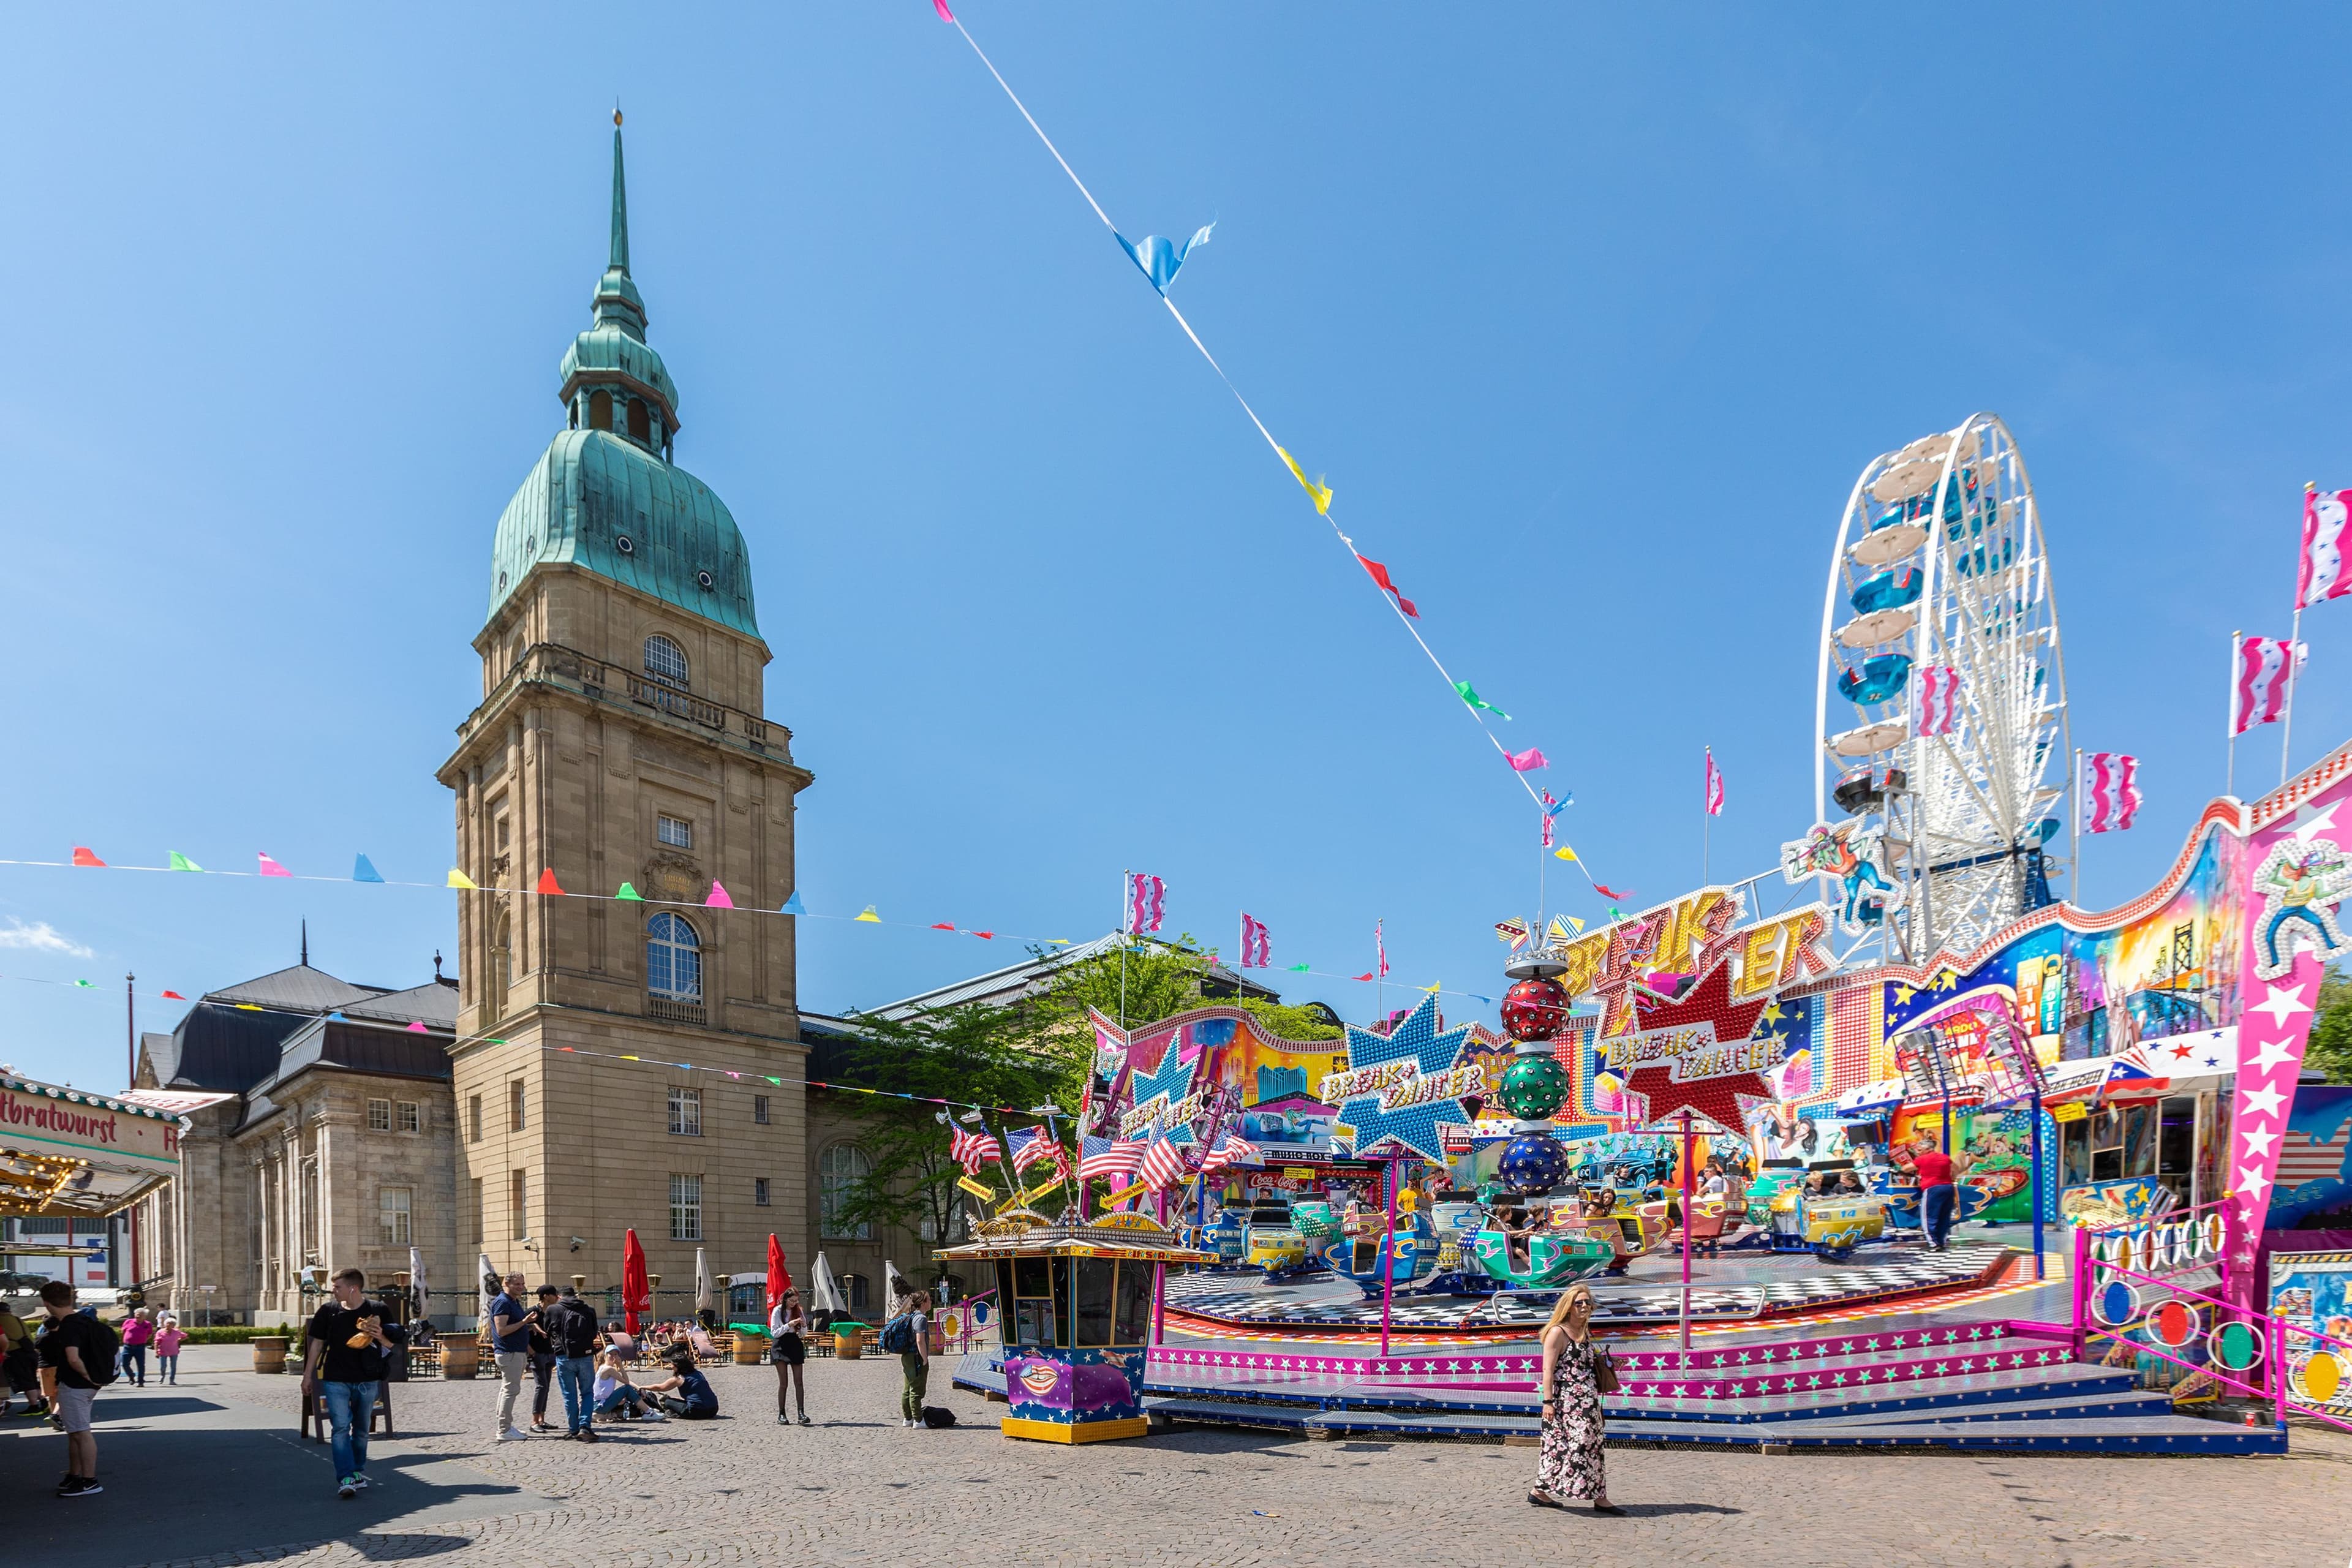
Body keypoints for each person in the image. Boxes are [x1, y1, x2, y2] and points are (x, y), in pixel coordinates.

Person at [301, 1267, 404, 1500]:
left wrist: (380, 1336)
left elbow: (391, 1346)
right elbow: (317, 1345)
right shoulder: (328, 1311)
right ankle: (346, 1477)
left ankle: (357, 1470)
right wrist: (308, 1375)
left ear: (353, 1288)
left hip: (367, 1379)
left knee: (360, 1431)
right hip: (335, 1379)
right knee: (339, 1428)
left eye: (337, 1287)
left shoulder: (377, 1310)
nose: (333, 1291)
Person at [1529, 1281, 1618, 1515]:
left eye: (1588, 1302)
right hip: (1566, 1400)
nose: (1585, 1306)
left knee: (1594, 1444)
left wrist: (1609, 1362)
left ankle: (1600, 1497)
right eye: (1579, 1303)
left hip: (1588, 1399)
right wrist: (1547, 1402)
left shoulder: (1585, 1331)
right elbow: (1547, 1370)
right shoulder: (1557, 1332)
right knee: (1568, 1446)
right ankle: (1541, 1489)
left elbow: (1587, 1361)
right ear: (1569, 1306)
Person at [36, 1281, 107, 1497]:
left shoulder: (67, 1325)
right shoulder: (83, 1320)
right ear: (71, 1299)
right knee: (75, 1433)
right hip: (82, 1386)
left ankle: (89, 1481)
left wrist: (90, 1378)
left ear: (46, 1303)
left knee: (81, 1433)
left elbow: (74, 1359)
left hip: (76, 1385)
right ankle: (75, 1475)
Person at [548, 1286, 600, 1442]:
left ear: (559, 1296)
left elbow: (548, 1329)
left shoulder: (553, 1309)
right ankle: (585, 1426)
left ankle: (573, 1429)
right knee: (587, 1393)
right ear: (575, 1295)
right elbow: (594, 1332)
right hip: (585, 1355)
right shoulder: (589, 1310)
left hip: (564, 1355)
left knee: (569, 1395)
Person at [487, 1272, 531, 1441]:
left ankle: (505, 1426)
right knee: (510, 1391)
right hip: (509, 1353)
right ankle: (504, 1430)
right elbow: (502, 1330)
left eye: (522, 1284)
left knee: (507, 1390)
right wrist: (524, 1322)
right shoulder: (503, 1302)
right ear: (507, 1284)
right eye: (517, 1284)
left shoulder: (512, 1301)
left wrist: (528, 1326)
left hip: (514, 1352)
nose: (521, 1287)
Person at [1912, 1142, 1973, 1251]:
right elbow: (1956, 1169)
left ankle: (1934, 1244)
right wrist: (1950, 1177)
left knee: (1929, 1217)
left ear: (1928, 1150)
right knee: (1944, 1216)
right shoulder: (1945, 1157)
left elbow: (1906, 1168)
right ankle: (1941, 1242)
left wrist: (1901, 1171)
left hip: (1932, 1189)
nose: (1918, 1152)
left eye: (1920, 1150)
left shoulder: (1922, 1159)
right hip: (1948, 1188)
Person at [890, 1286, 930, 1429]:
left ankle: (908, 1419)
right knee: (916, 1389)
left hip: (907, 1356)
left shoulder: (911, 1315)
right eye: (929, 1299)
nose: (931, 1302)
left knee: (907, 1388)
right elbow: (920, 1340)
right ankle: (918, 1420)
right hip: (915, 1357)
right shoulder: (920, 1318)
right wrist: (925, 1359)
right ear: (924, 1302)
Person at [769, 1287, 810, 1427]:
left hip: (794, 1344)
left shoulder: (798, 1311)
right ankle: (782, 1413)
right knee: (784, 1383)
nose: (794, 1303)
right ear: (786, 1299)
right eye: (792, 1300)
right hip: (781, 1345)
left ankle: (801, 1413)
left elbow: (803, 1334)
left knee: (799, 1381)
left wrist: (804, 1326)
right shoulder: (777, 1311)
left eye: (796, 1301)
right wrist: (789, 1325)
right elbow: (774, 1333)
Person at [639, 1349, 719, 1420]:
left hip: (697, 1411)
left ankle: (672, 1413)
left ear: (678, 1366)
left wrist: (643, 1387)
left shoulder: (679, 1379)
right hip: (714, 1409)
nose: (671, 1366)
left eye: (672, 1364)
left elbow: (660, 1387)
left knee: (667, 1401)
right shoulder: (698, 1373)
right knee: (677, 1401)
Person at [523, 1285, 560, 1432]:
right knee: (541, 1387)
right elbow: (520, 1330)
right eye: (554, 1294)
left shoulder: (552, 1311)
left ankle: (542, 1420)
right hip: (536, 1354)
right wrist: (530, 1351)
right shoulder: (532, 1312)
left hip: (550, 1354)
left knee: (546, 1387)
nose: (557, 1297)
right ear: (546, 1296)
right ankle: (534, 1422)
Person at [1, 1298, 43, 1416]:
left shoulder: (1, 1321)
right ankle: (43, 1402)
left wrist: (3, 1352)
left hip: (15, 1352)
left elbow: (4, 1340)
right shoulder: (17, 1319)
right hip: (30, 1351)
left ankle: (34, 1406)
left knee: (25, 1380)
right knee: (33, 1379)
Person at [591, 1348, 657, 1421]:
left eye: (616, 1354)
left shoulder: (603, 1367)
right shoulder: (609, 1369)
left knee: (626, 1390)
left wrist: (639, 1388)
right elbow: (626, 1382)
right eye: (611, 1354)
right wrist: (621, 1366)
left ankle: (647, 1410)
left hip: (598, 1404)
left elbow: (626, 1381)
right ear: (605, 1356)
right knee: (627, 1389)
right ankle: (648, 1412)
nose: (614, 1357)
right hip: (600, 1405)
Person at [118, 1308, 153, 1387]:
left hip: (140, 1347)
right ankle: (131, 1376)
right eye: (137, 1314)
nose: (138, 1316)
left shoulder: (147, 1324)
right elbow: (123, 1331)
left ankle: (141, 1382)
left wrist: (143, 1340)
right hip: (128, 1346)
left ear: (145, 1317)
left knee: (141, 1365)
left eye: (140, 1315)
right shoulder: (128, 1322)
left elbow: (150, 1334)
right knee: (124, 1364)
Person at [153, 1316, 187, 1386]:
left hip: (174, 1351)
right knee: (163, 1366)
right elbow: (156, 1342)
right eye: (168, 1323)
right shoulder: (160, 1332)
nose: (169, 1325)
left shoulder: (176, 1332)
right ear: (165, 1324)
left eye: (171, 1324)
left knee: (173, 1366)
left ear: (174, 1325)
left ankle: (172, 1380)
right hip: (163, 1351)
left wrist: (178, 1340)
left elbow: (185, 1336)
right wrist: (156, 1352)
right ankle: (162, 1376)